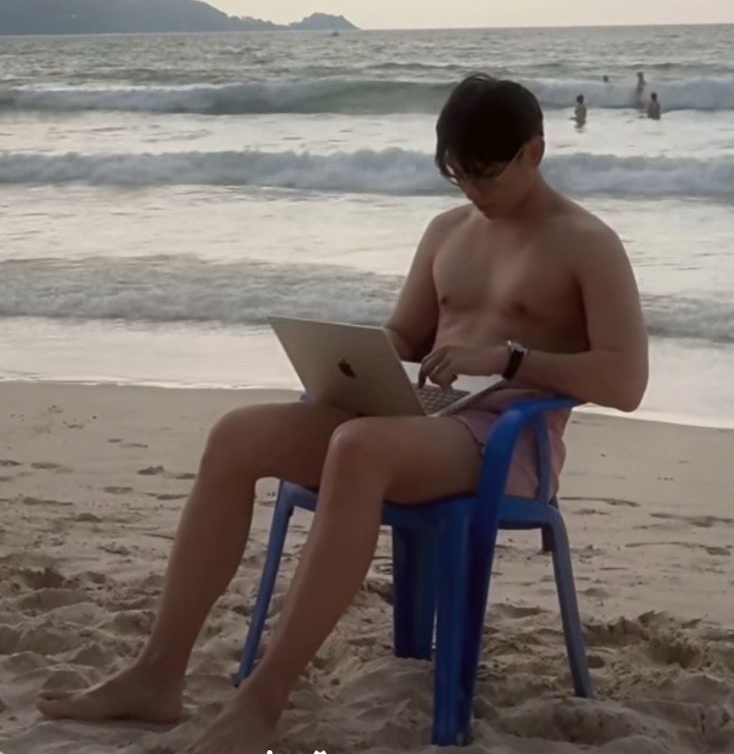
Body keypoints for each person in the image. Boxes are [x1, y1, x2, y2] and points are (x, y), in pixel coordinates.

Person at [36, 74, 649, 754]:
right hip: (420, 422)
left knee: (358, 449)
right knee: (237, 435)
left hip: (505, 443)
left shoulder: (585, 243)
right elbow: (405, 336)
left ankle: (263, 702)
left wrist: (506, 359)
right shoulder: (448, 230)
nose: (472, 191)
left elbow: (625, 380)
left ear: (533, 153)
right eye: (457, 176)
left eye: (486, 175)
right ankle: (157, 675)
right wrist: (355, 360)